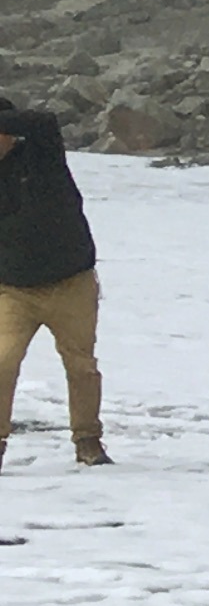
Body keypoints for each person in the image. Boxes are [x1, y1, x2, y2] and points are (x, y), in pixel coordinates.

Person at [0, 96, 108, 469]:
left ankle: (88, 441)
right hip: (14, 290)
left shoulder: (43, 156)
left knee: (80, 366)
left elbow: (44, 121)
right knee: (1, 362)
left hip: (71, 283)